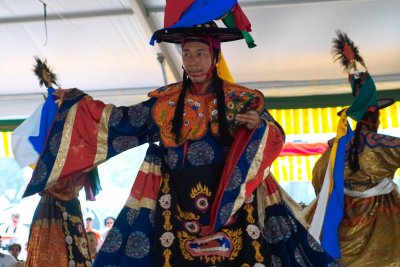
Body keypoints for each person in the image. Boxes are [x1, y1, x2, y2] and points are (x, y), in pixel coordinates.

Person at [20, 3, 337, 267]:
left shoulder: (243, 99)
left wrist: (259, 126)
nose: (192, 61)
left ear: (214, 56)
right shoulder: (165, 102)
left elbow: (276, 136)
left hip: (234, 203)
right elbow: (120, 123)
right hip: (177, 204)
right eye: (187, 54)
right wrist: (77, 104)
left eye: (200, 53)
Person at [307, 31, 400, 266]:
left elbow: (319, 178)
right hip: (379, 222)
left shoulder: (337, 146)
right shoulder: (381, 144)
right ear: (376, 117)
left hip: (341, 222)